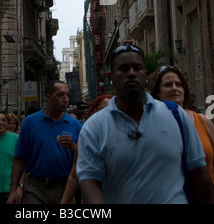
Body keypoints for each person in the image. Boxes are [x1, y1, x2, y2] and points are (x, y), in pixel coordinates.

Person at [76, 44, 214, 204]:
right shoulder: (94, 127)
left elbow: (199, 172)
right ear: (111, 77)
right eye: (124, 68)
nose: (132, 73)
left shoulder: (176, 115)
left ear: (145, 75)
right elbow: (89, 182)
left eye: (137, 68)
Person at [7, 81, 82, 204]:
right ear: (48, 97)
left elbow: (84, 158)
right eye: (61, 95)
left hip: (65, 187)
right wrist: (14, 189)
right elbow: (20, 158)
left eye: (67, 95)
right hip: (35, 188)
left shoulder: (75, 125)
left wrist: (74, 147)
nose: (66, 99)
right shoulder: (30, 122)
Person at [150, 65, 214, 184]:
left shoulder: (203, 121)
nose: (175, 88)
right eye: (168, 85)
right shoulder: (151, 124)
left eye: (178, 85)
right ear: (158, 92)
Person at [60, 94, 114, 205]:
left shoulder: (125, 133)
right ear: (95, 111)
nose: (108, 113)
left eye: (112, 109)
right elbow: (74, 175)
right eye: (104, 109)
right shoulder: (87, 136)